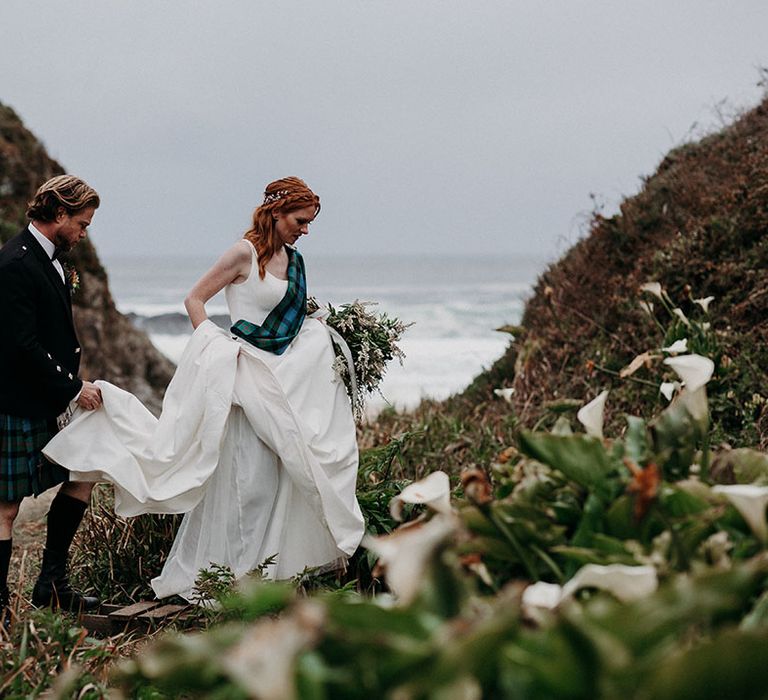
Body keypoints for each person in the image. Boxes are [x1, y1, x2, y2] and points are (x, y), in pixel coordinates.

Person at [44, 176, 364, 600]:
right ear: (276, 212)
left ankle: (264, 577)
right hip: (241, 380)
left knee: (275, 481)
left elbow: (293, 319)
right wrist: (214, 344)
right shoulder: (243, 253)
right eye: (300, 220)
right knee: (244, 483)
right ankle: (226, 576)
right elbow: (195, 300)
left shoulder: (295, 261)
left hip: (280, 384)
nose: (305, 230)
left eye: (308, 223)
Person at [0, 175, 103, 614]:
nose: (83, 232)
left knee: (86, 470)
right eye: (81, 223)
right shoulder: (14, 263)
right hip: (16, 403)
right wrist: (73, 386)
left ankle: (52, 584)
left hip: (48, 401)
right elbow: (19, 344)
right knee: (6, 508)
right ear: (58, 214)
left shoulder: (54, 261)